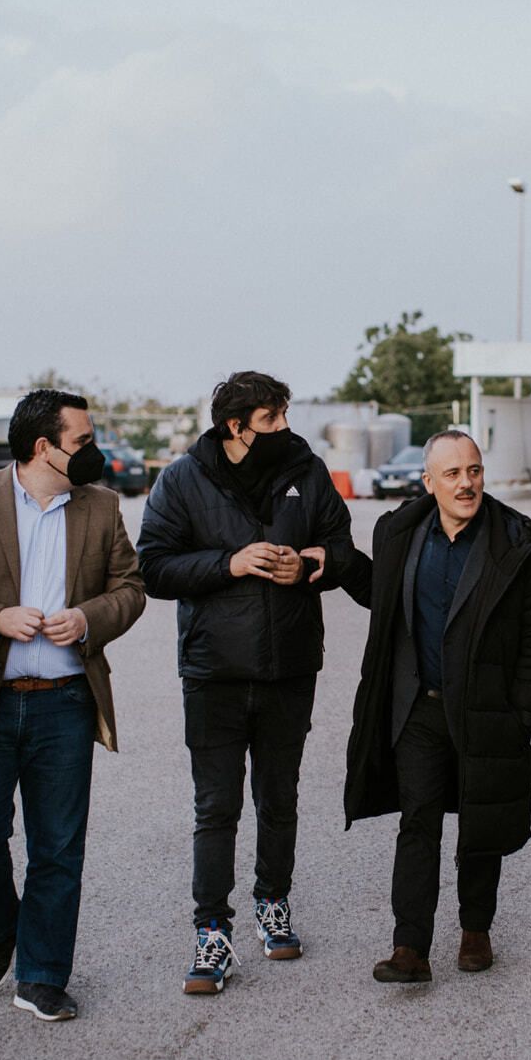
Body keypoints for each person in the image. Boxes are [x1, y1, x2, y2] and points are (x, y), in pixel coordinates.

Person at [136, 371, 359, 995]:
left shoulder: (306, 471)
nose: (284, 427)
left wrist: (311, 564)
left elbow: (341, 549)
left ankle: (273, 903)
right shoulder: (182, 479)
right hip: (213, 673)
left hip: (289, 668)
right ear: (235, 427)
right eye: (270, 419)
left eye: (285, 414)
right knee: (216, 808)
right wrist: (229, 563)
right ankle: (212, 931)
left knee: (279, 798)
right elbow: (152, 566)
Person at [0, 389, 146, 1022]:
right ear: (43, 447)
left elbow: (131, 589)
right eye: (82, 441)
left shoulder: (103, 506)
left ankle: (42, 974)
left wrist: (87, 619)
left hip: (65, 703)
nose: (94, 451)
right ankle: (1, 927)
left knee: (58, 847)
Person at [343, 430, 531, 983]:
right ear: (429, 482)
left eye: (474, 470)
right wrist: (337, 563)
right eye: (452, 474)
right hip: (419, 707)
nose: (466, 483)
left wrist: (524, 716)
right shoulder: (400, 533)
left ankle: (475, 931)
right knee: (418, 821)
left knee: (480, 824)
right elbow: (383, 597)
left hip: (487, 711)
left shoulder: (518, 547)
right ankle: (409, 947)